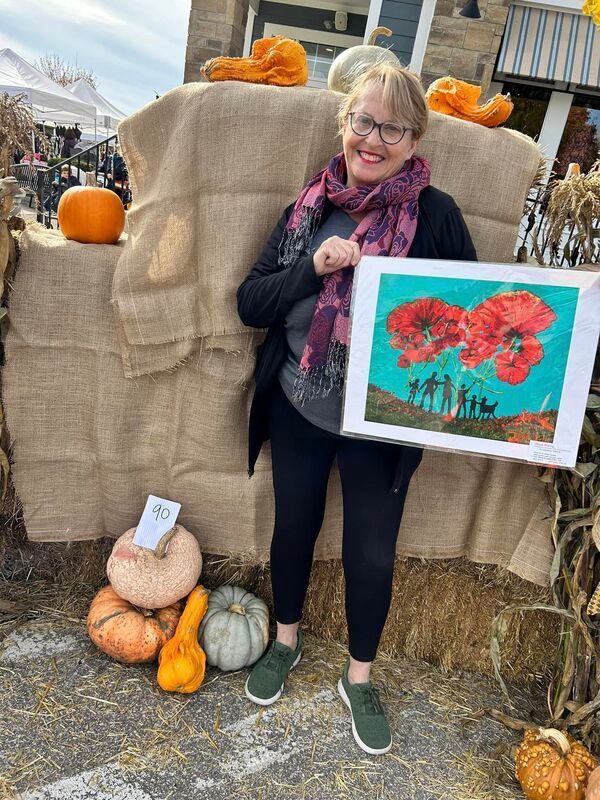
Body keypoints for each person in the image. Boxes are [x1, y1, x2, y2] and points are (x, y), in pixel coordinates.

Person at [236, 63, 477, 756]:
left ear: (413, 138)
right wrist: (313, 268)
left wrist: (402, 300)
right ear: (345, 123)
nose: (373, 139)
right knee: (294, 529)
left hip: (383, 422)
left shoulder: (437, 216)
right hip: (299, 405)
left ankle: (359, 678)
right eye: (363, 122)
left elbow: (470, 323)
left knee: (371, 553)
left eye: (392, 127)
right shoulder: (308, 208)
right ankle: (284, 642)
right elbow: (250, 304)